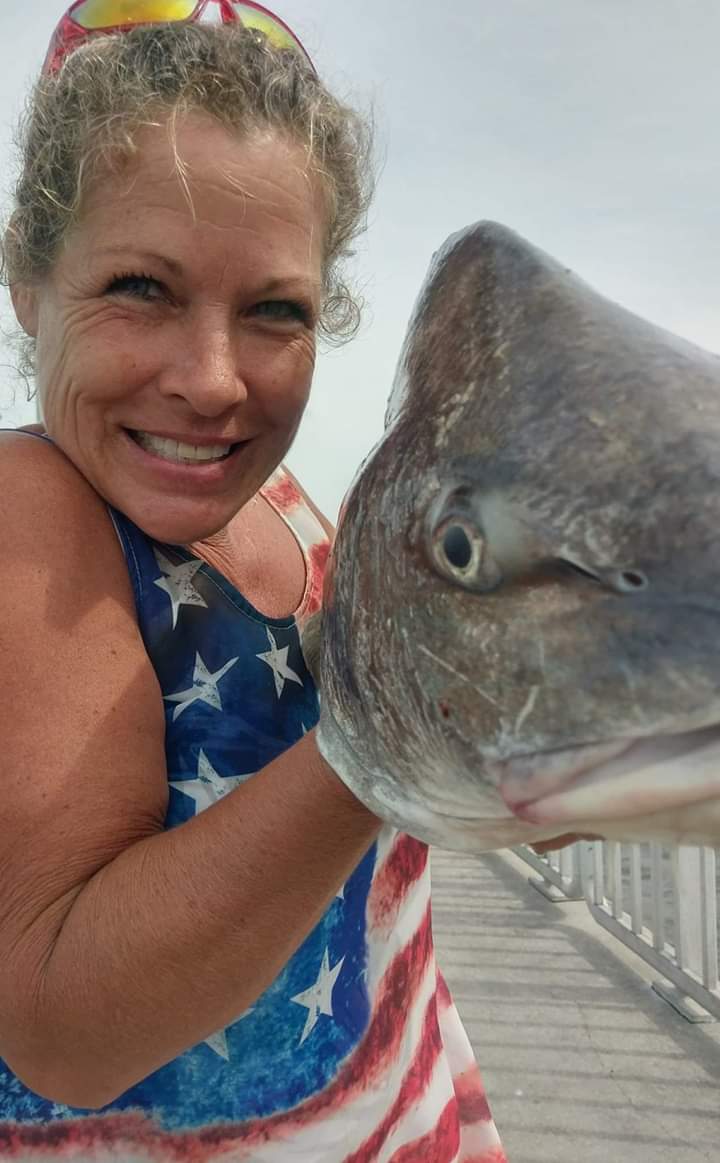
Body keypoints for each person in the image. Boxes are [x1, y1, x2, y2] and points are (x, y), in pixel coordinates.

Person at [0, 3, 508, 1160]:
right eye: (141, 286)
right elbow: (63, 1024)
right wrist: (394, 714)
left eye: (274, 309)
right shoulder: (26, 509)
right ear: (30, 286)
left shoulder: (292, 510)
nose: (214, 381)